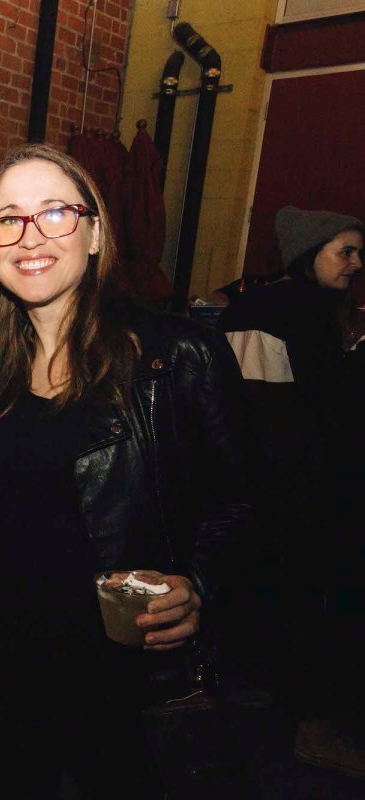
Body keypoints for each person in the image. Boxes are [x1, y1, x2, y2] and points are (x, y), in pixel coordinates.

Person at [0, 143, 252, 797]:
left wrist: (199, 583)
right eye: (9, 219)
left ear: (96, 231)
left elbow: (245, 499)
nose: (31, 236)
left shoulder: (177, 356)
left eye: (55, 213)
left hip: (117, 685)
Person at [217, 206, 364, 777]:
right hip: (279, 495)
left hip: (305, 491)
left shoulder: (319, 311)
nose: (356, 263)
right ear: (308, 253)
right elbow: (265, 418)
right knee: (279, 606)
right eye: (345, 251)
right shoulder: (272, 309)